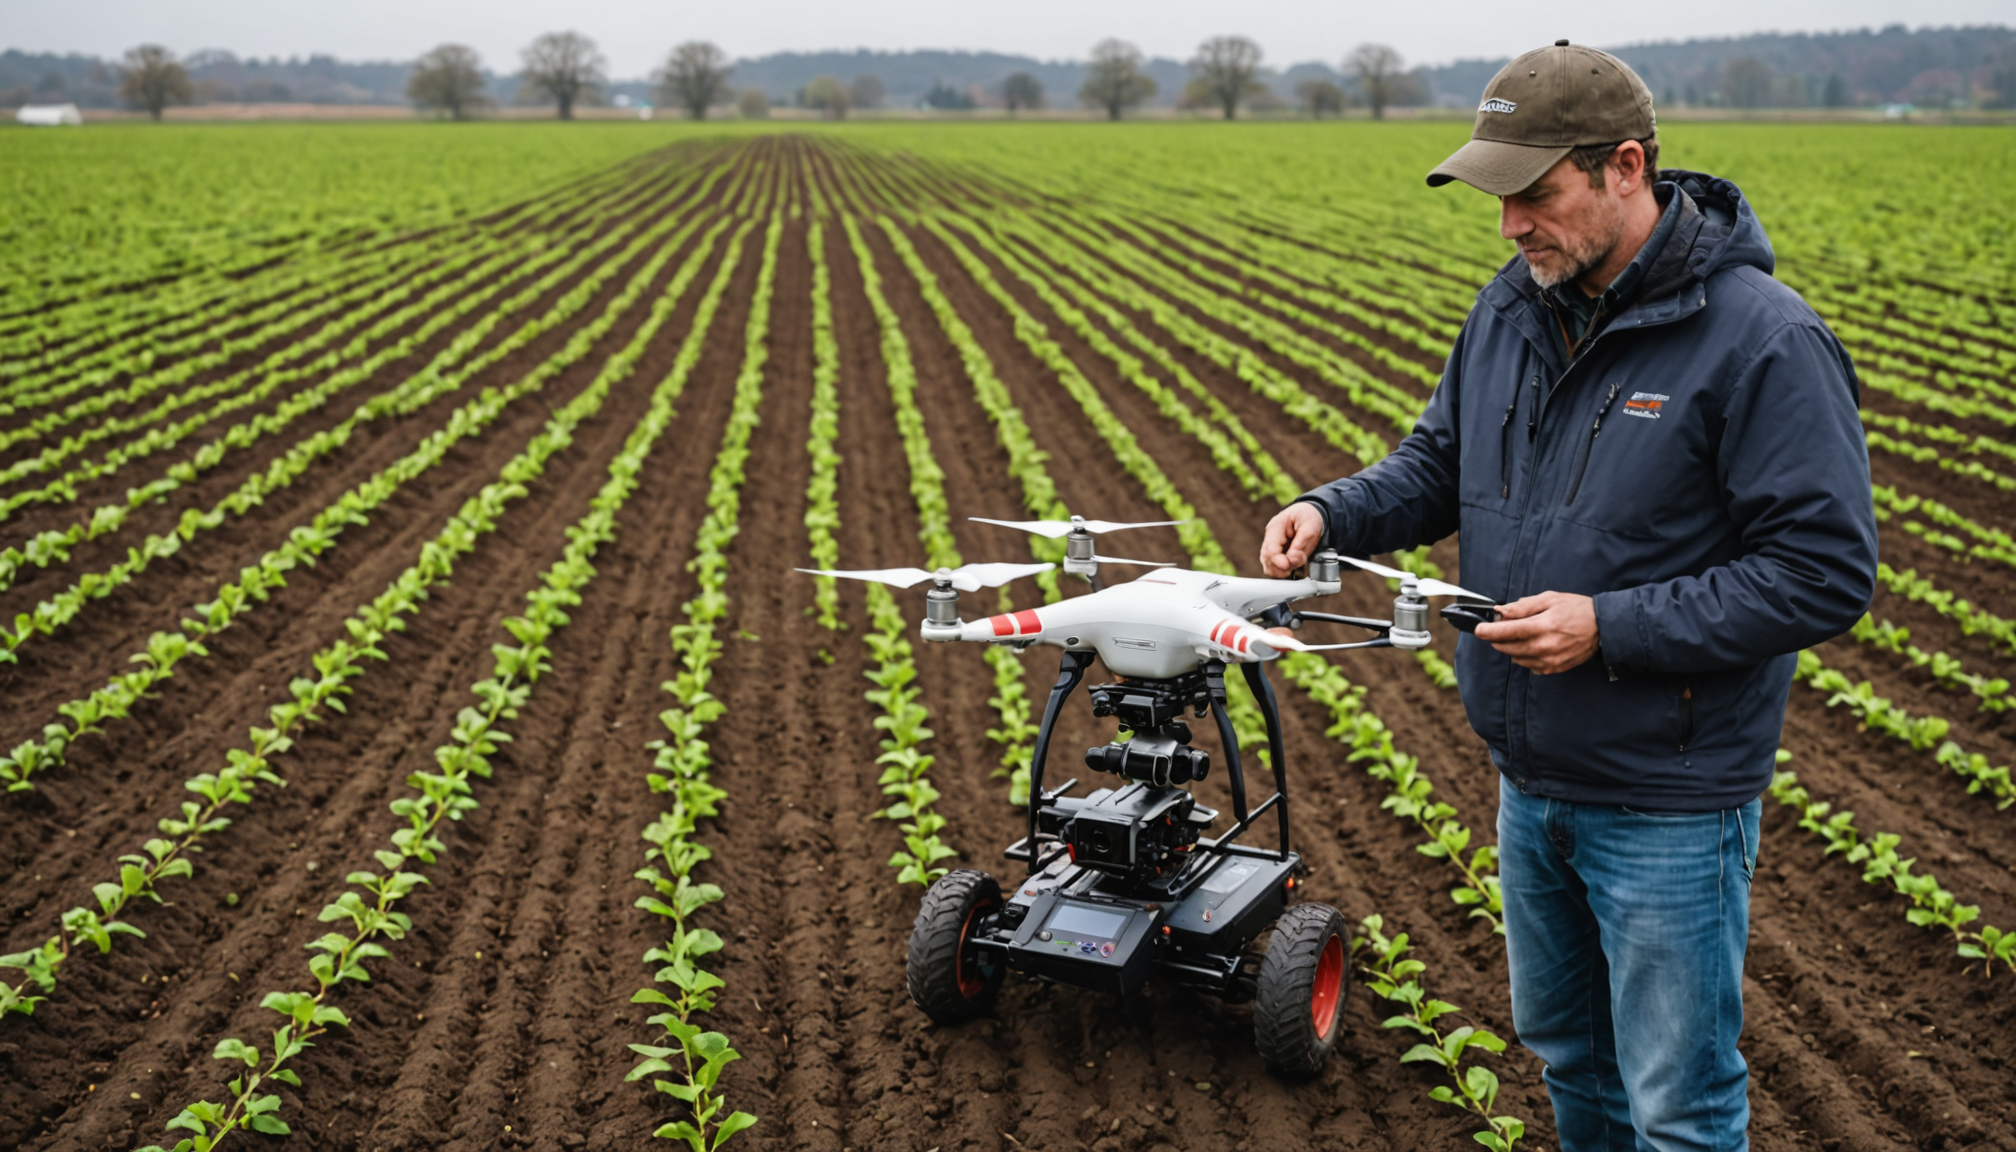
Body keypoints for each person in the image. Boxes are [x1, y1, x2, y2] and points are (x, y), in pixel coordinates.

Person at [1259, 41, 1877, 1152]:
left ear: (1625, 167)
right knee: (1572, 1060)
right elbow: (1441, 463)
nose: (1510, 227)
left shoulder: (1763, 339)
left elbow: (1822, 572)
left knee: (1679, 1102)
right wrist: (1333, 511)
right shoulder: (1514, 308)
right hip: (1530, 779)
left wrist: (1611, 626)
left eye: (1535, 195)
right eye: (1497, 198)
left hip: (1667, 796)